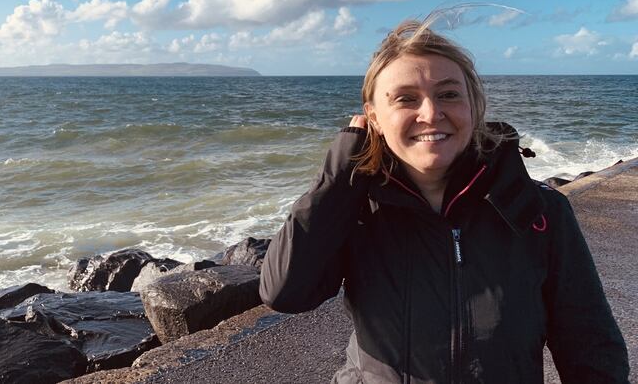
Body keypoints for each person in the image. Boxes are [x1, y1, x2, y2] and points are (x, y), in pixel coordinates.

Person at [259, 19, 629, 383]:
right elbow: (286, 292)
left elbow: (590, 346)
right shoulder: (355, 208)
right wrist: (341, 171)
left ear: (474, 106)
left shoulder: (538, 210)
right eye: (405, 99)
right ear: (373, 117)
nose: (431, 114)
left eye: (449, 94)